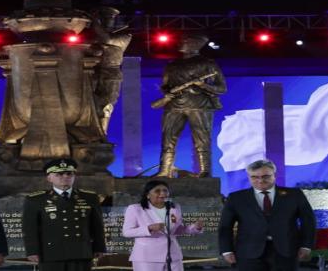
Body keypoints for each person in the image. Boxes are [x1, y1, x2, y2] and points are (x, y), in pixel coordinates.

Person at [218, 159, 316, 271]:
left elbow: (308, 221)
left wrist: (306, 245)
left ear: (274, 175)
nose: (260, 180)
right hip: (248, 253)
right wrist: (227, 250)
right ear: (249, 177)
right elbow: (225, 226)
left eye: (265, 176)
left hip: (287, 251)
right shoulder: (236, 198)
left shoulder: (294, 195)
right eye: (254, 177)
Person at [154, 33, 227, 177]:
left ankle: (205, 171)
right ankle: (164, 171)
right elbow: (165, 86)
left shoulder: (208, 64)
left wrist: (203, 85)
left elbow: (222, 88)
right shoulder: (171, 65)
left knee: (202, 140)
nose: (181, 42)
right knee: (168, 139)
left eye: (186, 40)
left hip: (199, 105)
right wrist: (169, 94)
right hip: (174, 105)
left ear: (195, 45)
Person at [22, 158, 106, 271]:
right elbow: (30, 228)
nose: (65, 177)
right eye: (59, 174)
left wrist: (99, 247)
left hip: (80, 252)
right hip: (51, 253)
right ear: (49, 178)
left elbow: (97, 226)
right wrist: (32, 251)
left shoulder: (89, 197)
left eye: (69, 174)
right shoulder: (36, 200)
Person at [122, 180, 204, 271]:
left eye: (165, 190)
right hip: (147, 257)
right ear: (148, 195)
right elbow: (127, 232)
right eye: (157, 191)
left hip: (173, 256)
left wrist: (195, 228)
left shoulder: (175, 207)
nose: (163, 193)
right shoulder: (135, 209)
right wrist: (149, 228)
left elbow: (177, 230)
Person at [90, 6, 132, 135]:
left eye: (110, 19)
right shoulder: (96, 37)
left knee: (106, 104)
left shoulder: (124, 36)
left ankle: (103, 135)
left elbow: (107, 39)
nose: (107, 22)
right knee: (90, 103)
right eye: (104, 19)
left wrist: (94, 20)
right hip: (92, 72)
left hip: (111, 73)